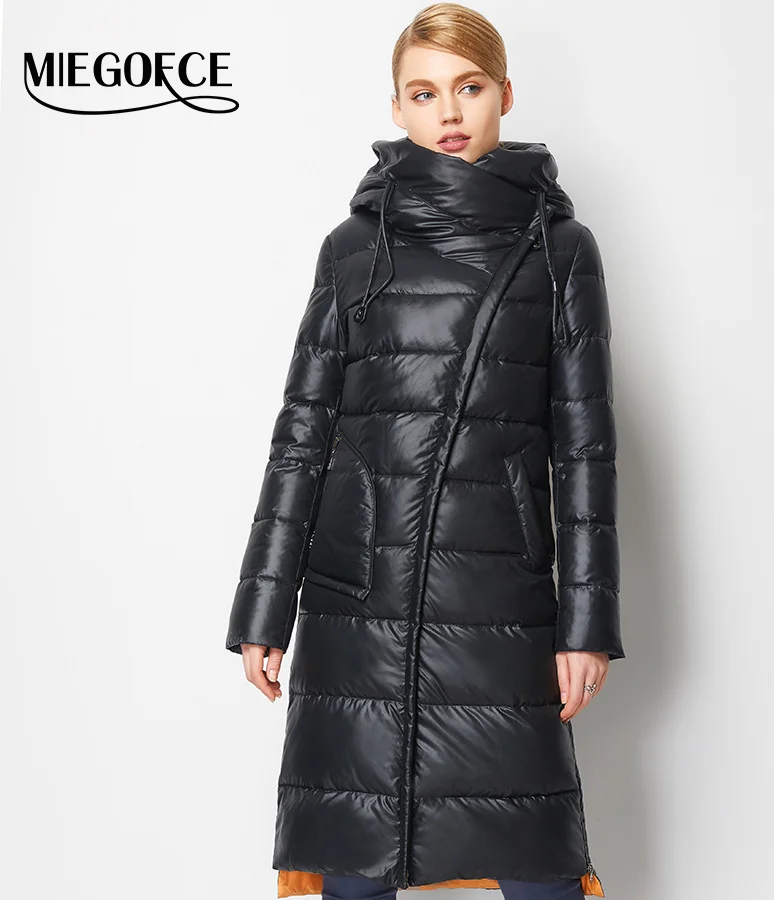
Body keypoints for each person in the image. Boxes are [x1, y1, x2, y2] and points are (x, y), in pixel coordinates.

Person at [225, 4, 625, 900]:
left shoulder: (560, 251)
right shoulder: (352, 249)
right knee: (356, 858)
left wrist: (586, 624)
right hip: (357, 596)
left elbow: (585, 449)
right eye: (424, 92)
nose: (448, 111)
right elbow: (302, 433)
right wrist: (263, 607)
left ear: (505, 95)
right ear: (397, 107)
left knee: (539, 862)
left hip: (498, 599)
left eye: (469, 87)